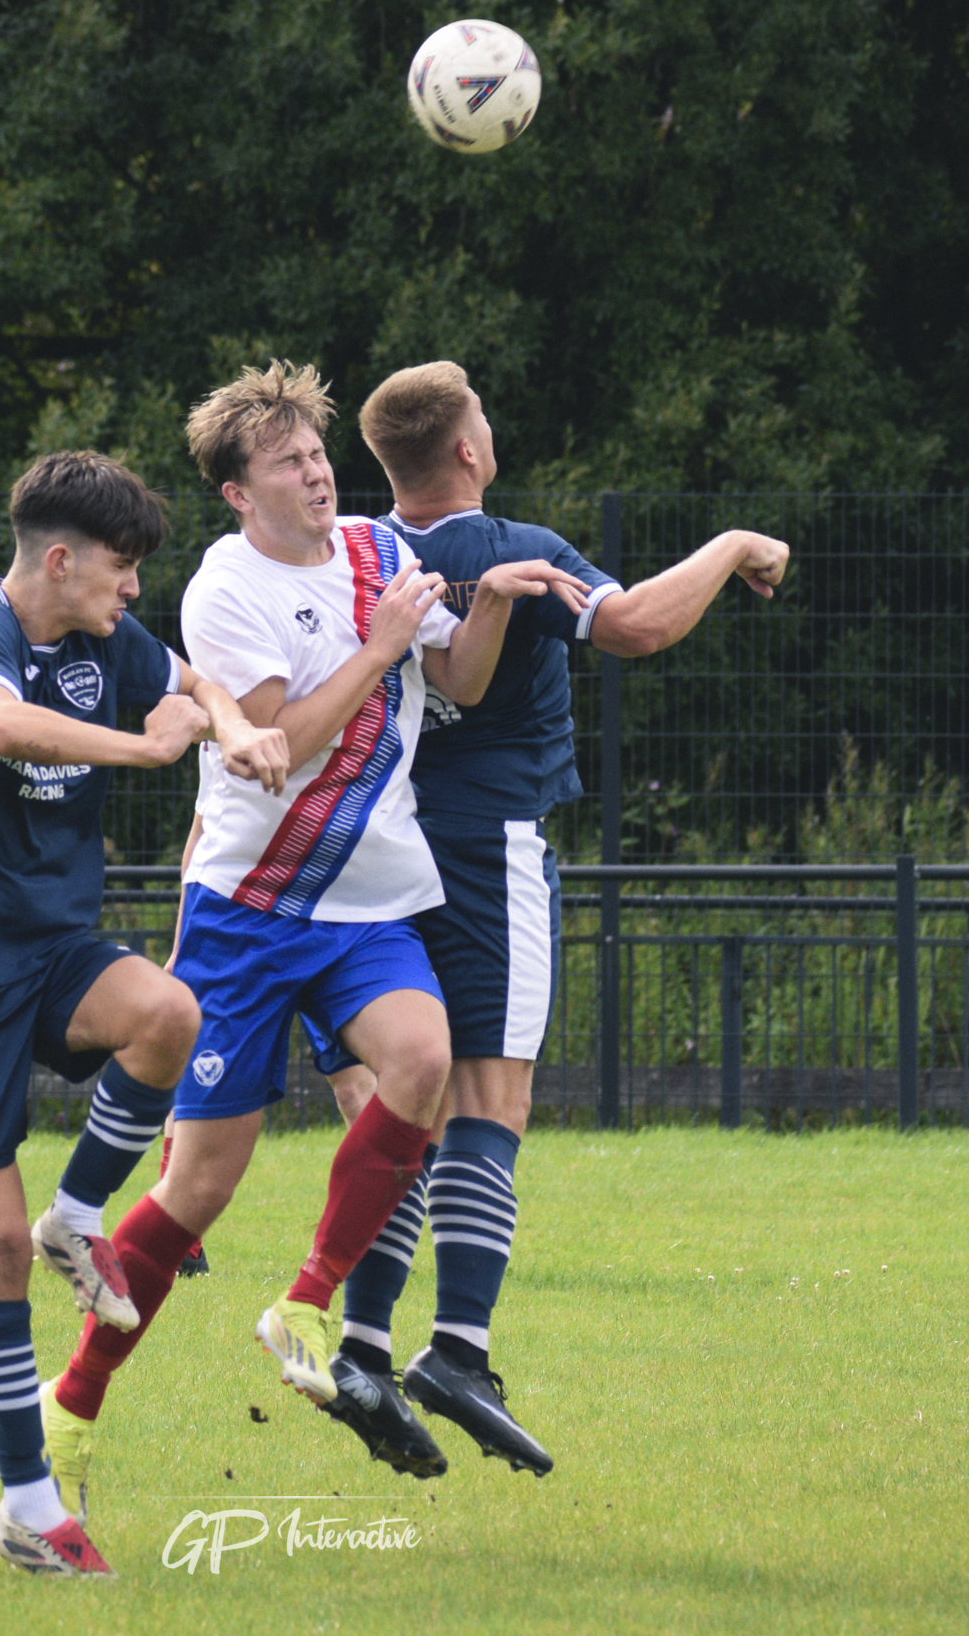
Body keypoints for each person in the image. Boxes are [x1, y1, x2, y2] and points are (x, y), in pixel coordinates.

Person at [37, 360, 592, 1503]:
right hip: (249, 910)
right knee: (198, 1187)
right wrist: (380, 649)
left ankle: (307, 1303)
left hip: (368, 900)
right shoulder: (222, 587)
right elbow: (277, 746)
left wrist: (488, 603)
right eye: (287, 462)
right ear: (239, 492)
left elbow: (460, 682)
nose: (315, 472)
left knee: (422, 1060)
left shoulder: (381, 552)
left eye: (316, 452)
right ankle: (74, 1400)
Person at [307, 360, 789, 1476]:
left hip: (370, 849)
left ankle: (365, 1345)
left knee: (403, 1105)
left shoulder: (358, 556)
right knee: (489, 1097)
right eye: (482, 417)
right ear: (467, 449)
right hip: (486, 847)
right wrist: (731, 545)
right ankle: (458, 1349)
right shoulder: (502, 547)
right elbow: (635, 627)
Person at [0, 449, 286, 1577]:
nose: (135, 587)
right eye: (121, 565)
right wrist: (150, 745)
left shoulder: (107, 640)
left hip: (51, 949)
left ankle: (80, 1213)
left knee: (168, 1013)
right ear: (58, 560)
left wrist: (227, 722)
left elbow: (194, 678)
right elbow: (0, 729)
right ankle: (27, 1508)